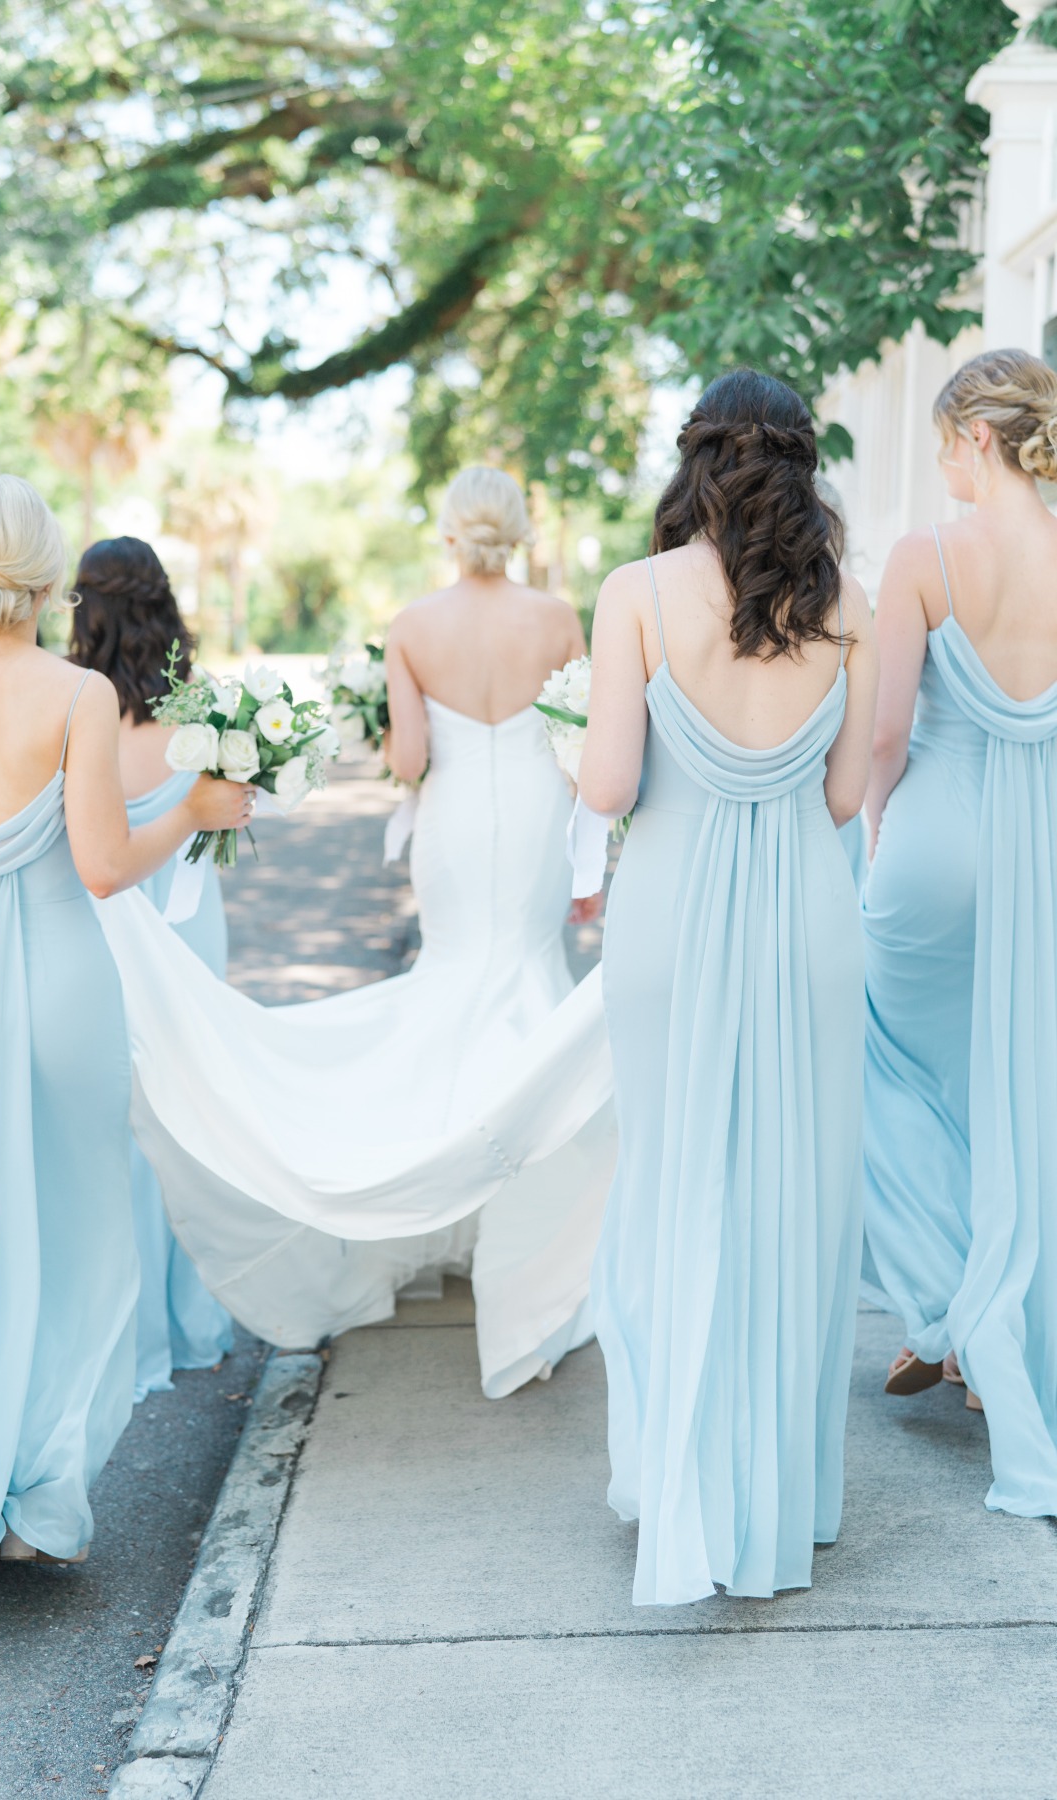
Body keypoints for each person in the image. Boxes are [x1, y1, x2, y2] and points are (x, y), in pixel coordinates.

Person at [92, 466, 617, 1399]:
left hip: (454, 824)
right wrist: (586, 865)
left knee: (456, 985)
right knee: (532, 986)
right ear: (518, 529)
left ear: (452, 534)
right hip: (538, 817)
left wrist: (407, 726)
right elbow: (576, 741)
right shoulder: (559, 616)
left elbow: (409, 761)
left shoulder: (414, 625)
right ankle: (517, 1221)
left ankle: (449, 1188)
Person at [0, 475, 252, 1679]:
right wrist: (189, 803)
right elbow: (100, 865)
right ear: (42, 571)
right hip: (53, 988)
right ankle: (34, 1500)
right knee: (80, 1246)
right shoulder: (76, 694)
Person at [579, 371, 876, 1605]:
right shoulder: (848, 603)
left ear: (694, 457)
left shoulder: (636, 594)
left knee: (671, 1179)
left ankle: (675, 1477)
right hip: (810, 918)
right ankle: (783, 1497)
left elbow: (605, 788)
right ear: (803, 462)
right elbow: (847, 799)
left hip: (671, 918)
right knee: (798, 1200)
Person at [863, 348, 1057, 1519]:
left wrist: (879, 833)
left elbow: (885, 737)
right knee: (1017, 1090)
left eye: (943, 447)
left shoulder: (926, 558)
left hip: (937, 845)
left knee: (879, 1055)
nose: (941, 471)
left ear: (975, 439)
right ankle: (995, 1322)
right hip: (1042, 858)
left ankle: (951, 1307)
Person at [68, 536, 234, 1402]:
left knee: (116, 1130)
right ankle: (192, 1325)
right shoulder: (202, 707)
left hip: (104, 927)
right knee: (187, 1119)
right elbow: (231, 819)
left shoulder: (72, 708)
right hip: (189, 919)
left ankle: (129, 1335)